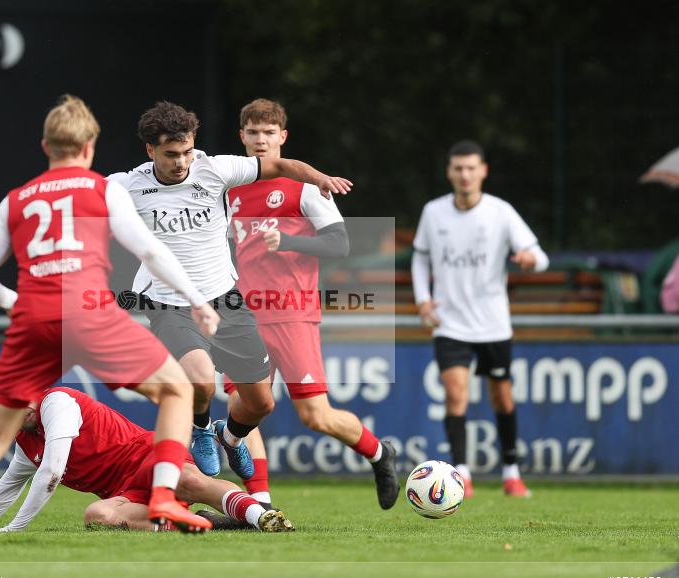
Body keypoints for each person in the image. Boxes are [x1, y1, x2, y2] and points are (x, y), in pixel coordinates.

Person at [0, 95, 221, 547]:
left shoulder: (16, 200)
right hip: (91, 316)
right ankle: (165, 496)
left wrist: (14, 302)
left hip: (34, 320)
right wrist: (196, 300)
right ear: (89, 145)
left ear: (45, 146)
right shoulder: (104, 188)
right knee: (177, 390)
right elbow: (148, 249)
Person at [107, 101, 352, 482]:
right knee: (201, 377)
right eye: (171, 154)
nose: (182, 162)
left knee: (260, 403)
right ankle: (203, 429)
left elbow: (283, 166)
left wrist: (318, 178)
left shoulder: (215, 168)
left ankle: (231, 438)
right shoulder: (127, 185)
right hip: (170, 302)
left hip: (225, 297)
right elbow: (79, 198)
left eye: (187, 151)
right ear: (150, 150)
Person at [220, 98, 399, 512]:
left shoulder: (304, 189)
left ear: (282, 137)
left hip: (291, 311)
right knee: (245, 404)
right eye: (253, 132)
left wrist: (290, 241)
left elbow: (340, 243)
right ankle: (260, 500)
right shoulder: (230, 190)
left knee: (315, 416)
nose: (260, 140)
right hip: (244, 314)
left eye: (269, 133)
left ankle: (379, 454)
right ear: (241, 137)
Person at [0, 375, 294, 533]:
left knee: (189, 481)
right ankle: (210, 523)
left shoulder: (57, 404)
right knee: (97, 516)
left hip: (146, 456)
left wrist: (15, 528)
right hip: (124, 492)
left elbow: (52, 472)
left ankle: (259, 514)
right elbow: (7, 487)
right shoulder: (26, 438)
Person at [411, 139, 549, 498]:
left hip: (493, 323)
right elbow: (420, 258)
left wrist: (532, 261)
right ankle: (462, 473)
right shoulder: (434, 211)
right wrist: (424, 300)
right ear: (449, 172)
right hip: (449, 322)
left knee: (502, 397)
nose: (465, 174)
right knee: (455, 394)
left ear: (483, 171)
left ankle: (511, 471)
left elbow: (539, 255)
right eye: (458, 168)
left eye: (471, 168)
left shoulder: (501, 212)